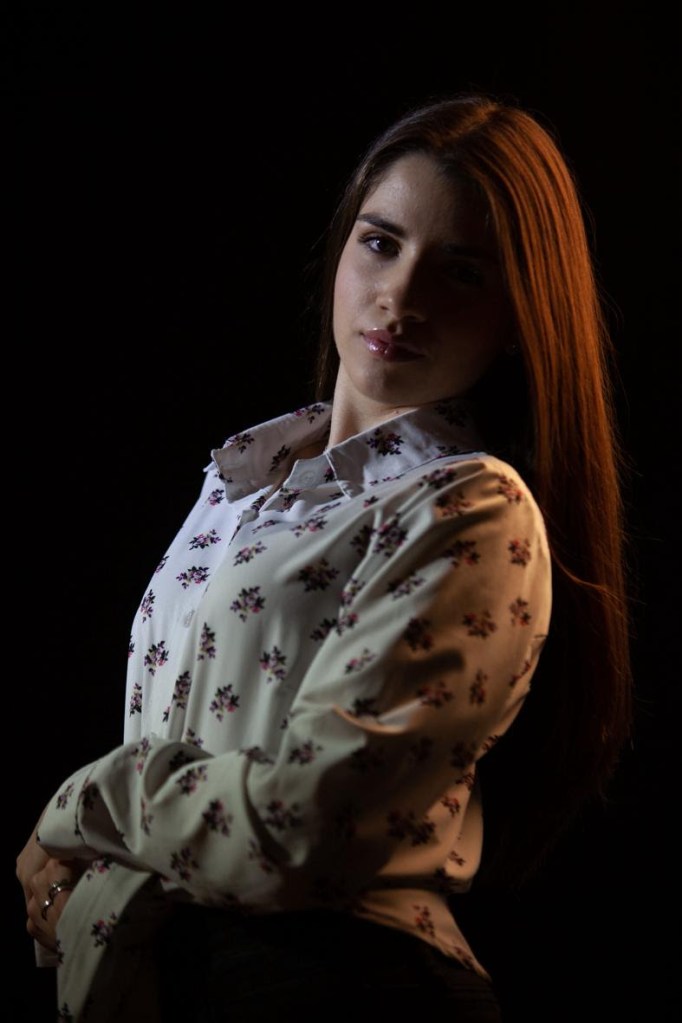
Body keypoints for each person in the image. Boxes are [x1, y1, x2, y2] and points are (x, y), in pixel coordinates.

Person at [17, 92, 632, 1021]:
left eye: (461, 272)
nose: (401, 297)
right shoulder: (237, 483)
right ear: (342, 248)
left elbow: (308, 827)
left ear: (518, 315)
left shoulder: (474, 507)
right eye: (381, 243)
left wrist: (85, 807)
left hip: (344, 983)